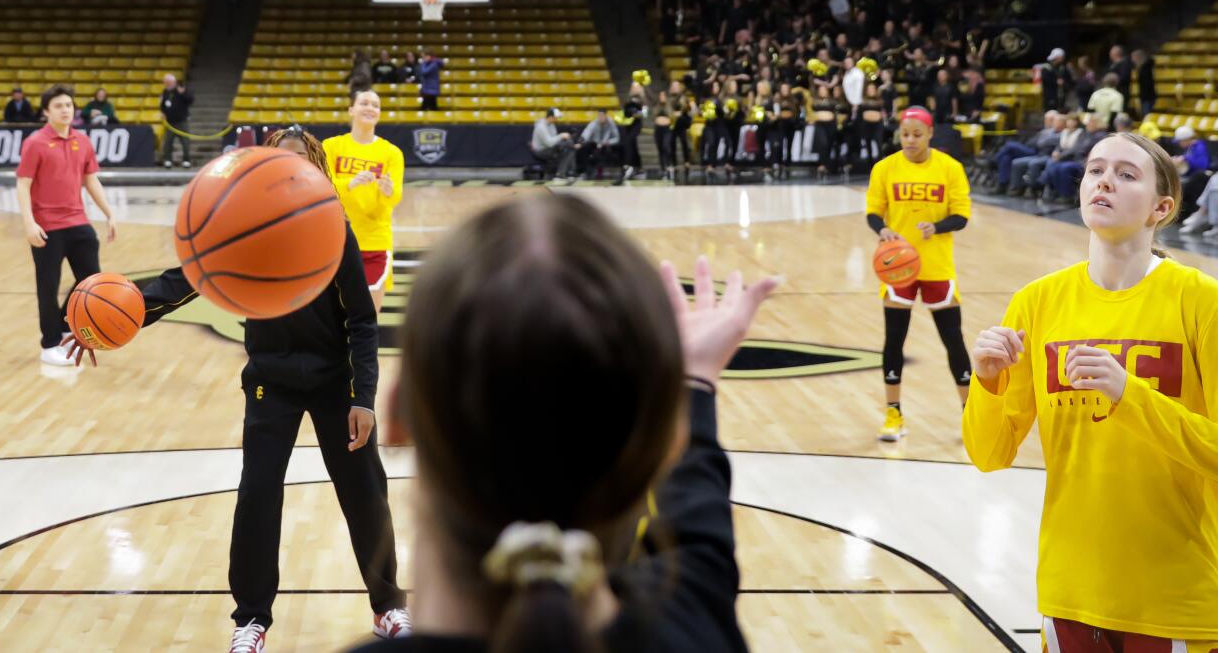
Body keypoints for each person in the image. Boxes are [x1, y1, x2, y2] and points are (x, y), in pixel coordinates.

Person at [339, 194, 775, 653]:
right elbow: (698, 534)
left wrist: (690, 396)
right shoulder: (698, 627)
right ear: (669, 444)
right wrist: (693, 387)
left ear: (397, 415)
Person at [68, 128, 410, 649]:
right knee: (257, 495)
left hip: (335, 382)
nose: (288, 172)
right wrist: (115, 318)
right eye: (277, 163)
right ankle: (251, 619)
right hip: (271, 382)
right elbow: (183, 281)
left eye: (298, 163)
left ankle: (388, 607)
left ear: (316, 171)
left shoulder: (333, 229)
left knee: (365, 494)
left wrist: (363, 397)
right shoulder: (245, 227)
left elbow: (362, 321)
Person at [965, 131, 1218, 652]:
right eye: (1095, 169)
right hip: (1070, 592)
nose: (1104, 180)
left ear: (1162, 207)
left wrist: (1130, 396)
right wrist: (988, 381)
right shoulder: (1036, 303)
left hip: (1178, 597)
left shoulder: (1206, 304)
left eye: (1126, 174)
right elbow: (988, 454)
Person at [867, 106, 974, 443]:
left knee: (953, 340)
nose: (910, 140)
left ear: (930, 134)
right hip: (898, 268)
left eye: (917, 134)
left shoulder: (950, 168)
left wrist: (936, 226)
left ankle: (970, 414)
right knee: (894, 341)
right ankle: (893, 413)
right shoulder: (885, 168)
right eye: (905, 135)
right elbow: (873, 212)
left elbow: (962, 216)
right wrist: (882, 230)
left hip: (937, 266)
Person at [16, 86, 119, 367]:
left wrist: (109, 213)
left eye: (69, 105)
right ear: (46, 111)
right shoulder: (35, 143)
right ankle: (49, 344)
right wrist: (29, 223)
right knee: (47, 287)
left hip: (78, 222)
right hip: (46, 226)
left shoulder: (83, 141)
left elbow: (91, 179)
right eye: (59, 105)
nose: (65, 110)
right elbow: (23, 184)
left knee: (90, 281)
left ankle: (64, 323)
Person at [325, 89, 402, 313]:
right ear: (351, 109)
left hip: (374, 241)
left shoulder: (391, 153)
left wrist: (388, 191)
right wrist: (350, 182)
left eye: (375, 105)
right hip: (334, 239)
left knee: (367, 317)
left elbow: (396, 196)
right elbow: (322, 187)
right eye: (364, 103)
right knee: (333, 317)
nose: (370, 108)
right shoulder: (331, 147)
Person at [158, 73, 195, 168]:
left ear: (173, 82)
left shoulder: (181, 89)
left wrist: (183, 93)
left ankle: (186, 160)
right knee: (168, 142)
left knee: (185, 142)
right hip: (170, 122)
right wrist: (162, 113)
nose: (167, 85)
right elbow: (162, 106)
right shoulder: (165, 92)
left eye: (168, 83)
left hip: (182, 121)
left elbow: (190, 100)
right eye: (166, 83)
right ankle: (168, 160)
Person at [532, 109, 578, 180]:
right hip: (540, 151)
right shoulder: (541, 127)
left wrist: (565, 140)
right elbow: (549, 143)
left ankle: (569, 173)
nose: (557, 119)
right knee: (568, 147)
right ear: (550, 117)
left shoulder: (551, 125)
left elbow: (554, 139)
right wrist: (561, 136)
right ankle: (560, 174)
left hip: (548, 147)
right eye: (555, 117)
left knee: (569, 145)